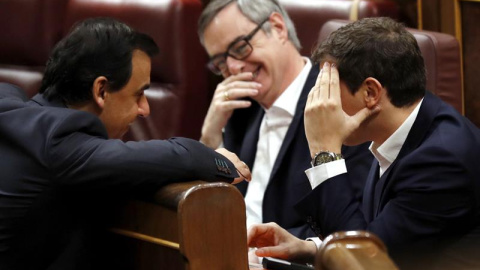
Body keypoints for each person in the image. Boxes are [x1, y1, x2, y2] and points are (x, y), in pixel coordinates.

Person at [0, 18, 251, 270]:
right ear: (101, 91)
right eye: (139, 94)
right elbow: (166, 157)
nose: (145, 109)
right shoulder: (60, 142)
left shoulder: (10, 106)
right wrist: (212, 157)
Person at [247, 17, 480, 269]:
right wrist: (309, 248)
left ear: (370, 92)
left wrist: (324, 151)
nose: (321, 104)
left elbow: (362, 263)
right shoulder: (402, 126)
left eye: (329, 88)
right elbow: (374, 235)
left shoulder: (441, 161)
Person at [197, 0, 372, 238]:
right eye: (220, 62)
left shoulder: (336, 103)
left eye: (240, 48)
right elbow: (219, 208)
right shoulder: (239, 108)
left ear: (278, 28)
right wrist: (210, 137)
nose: (234, 67)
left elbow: (353, 223)